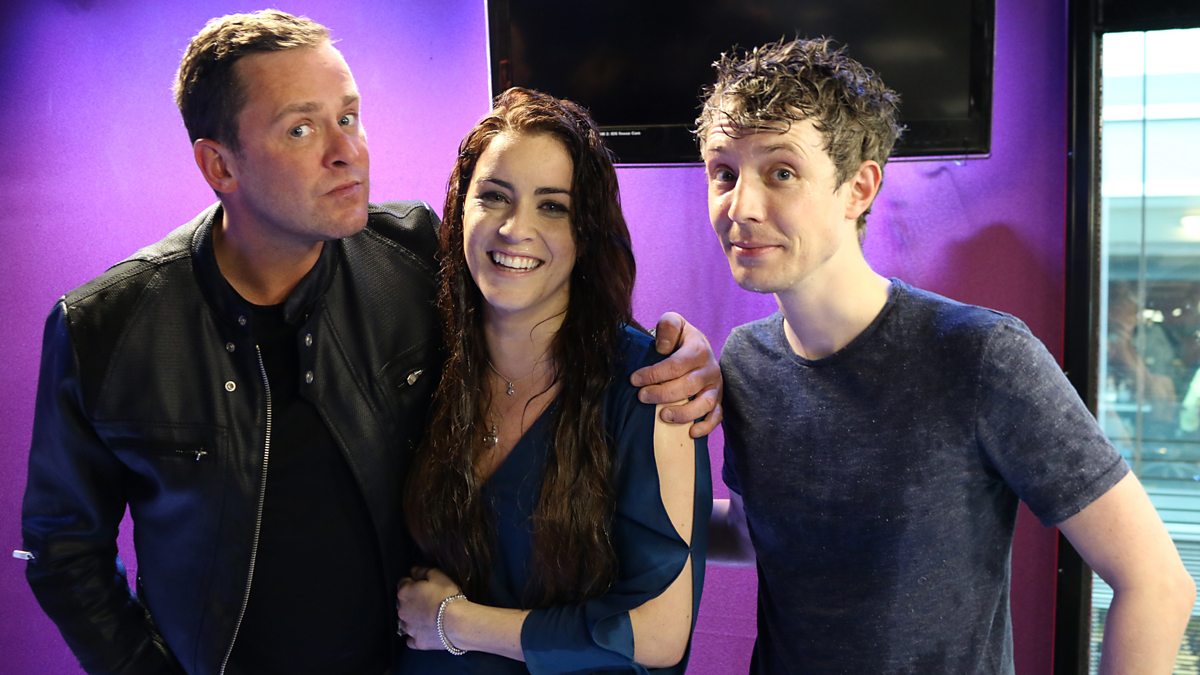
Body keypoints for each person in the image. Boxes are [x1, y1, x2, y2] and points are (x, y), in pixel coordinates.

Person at [18, 11, 721, 674]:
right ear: (220, 166)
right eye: (301, 129)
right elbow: (63, 549)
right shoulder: (106, 326)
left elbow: (551, 305)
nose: (346, 152)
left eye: (349, 117)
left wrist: (688, 360)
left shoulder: (410, 258)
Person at [699, 37, 1195, 673]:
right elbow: (753, 533)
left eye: (781, 172)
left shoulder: (982, 354)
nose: (741, 206)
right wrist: (606, 504)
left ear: (858, 188)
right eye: (724, 173)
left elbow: (1157, 584)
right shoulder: (746, 359)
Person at [393, 87, 710, 673]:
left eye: (553, 207)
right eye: (494, 197)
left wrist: (456, 623)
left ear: (586, 231)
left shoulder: (650, 385)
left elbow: (660, 631)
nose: (515, 229)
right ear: (460, 210)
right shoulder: (421, 360)